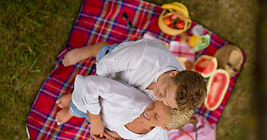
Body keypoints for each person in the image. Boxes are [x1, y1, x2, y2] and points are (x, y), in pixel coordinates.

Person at [56, 75, 193, 140]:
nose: (148, 111)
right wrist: (95, 120)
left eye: (156, 116)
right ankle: (72, 100)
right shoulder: (130, 99)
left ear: (165, 127)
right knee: (76, 107)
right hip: (93, 107)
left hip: (102, 126)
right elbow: (92, 83)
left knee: (78, 112)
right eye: (153, 104)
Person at [62, 39, 207, 111]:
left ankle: (76, 102)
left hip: (123, 88)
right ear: (174, 73)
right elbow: (104, 67)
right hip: (114, 63)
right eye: (164, 91)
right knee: (104, 54)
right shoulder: (143, 56)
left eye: (167, 102)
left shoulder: (174, 97)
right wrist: (93, 90)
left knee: (88, 106)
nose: (159, 98)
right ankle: (91, 50)